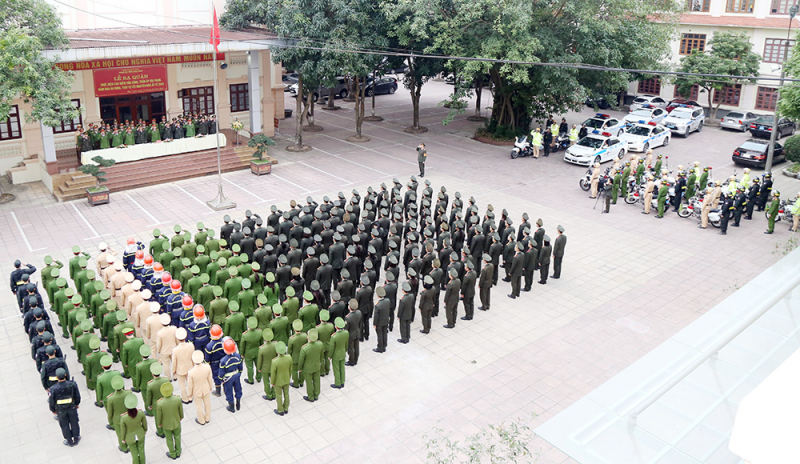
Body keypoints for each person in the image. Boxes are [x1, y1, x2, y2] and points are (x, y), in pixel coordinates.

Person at [48, 368, 81, 447]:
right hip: (72, 407)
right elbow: (77, 396)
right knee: (74, 422)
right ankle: (76, 437)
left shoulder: (53, 389)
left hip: (60, 410)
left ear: (56, 377)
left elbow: (51, 401)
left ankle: (69, 440)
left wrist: (53, 410)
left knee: (64, 425)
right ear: (65, 375)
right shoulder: (72, 384)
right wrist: (77, 403)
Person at [156, 382, 183, 460]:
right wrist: (181, 417)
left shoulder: (160, 403)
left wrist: (159, 424)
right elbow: (180, 410)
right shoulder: (177, 399)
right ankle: (178, 451)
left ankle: (172, 453)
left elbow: (159, 416)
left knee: (169, 439)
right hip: (176, 422)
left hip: (166, 424)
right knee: (177, 436)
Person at [186, 350, 213, 425]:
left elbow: (190, 385)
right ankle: (207, 417)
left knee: (199, 406)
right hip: (206, 388)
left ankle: (201, 420)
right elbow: (209, 378)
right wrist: (211, 386)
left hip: (197, 391)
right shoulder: (207, 367)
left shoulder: (191, 372)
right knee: (207, 403)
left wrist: (190, 394)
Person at [120, 394, 147, 464]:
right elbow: (144, 423)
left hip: (130, 437)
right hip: (140, 434)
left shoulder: (124, 417)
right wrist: (145, 430)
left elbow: (123, 430)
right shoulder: (140, 413)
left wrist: (123, 439)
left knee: (134, 452)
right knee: (141, 450)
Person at [298, 328, 323, 402]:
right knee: (317, 381)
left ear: (308, 337)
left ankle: (311, 397)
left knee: (309, 382)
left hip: (307, 368)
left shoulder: (304, 348)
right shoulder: (320, 344)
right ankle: (316, 394)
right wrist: (320, 362)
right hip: (317, 365)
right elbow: (321, 355)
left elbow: (301, 360)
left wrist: (300, 368)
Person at [219, 337, 243, 412]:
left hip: (228, 378)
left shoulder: (223, 361)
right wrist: (239, 373)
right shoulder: (238, 356)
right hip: (236, 375)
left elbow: (221, 372)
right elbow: (240, 367)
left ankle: (231, 407)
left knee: (228, 391)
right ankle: (238, 404)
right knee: (238, 389)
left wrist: (220, 379)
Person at [171, 327, 194, 403]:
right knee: (190, 383)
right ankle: (191, 396)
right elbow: (193, 357)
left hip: (180, 369)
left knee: (182, 385)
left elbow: (174, 361)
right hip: (190, 367)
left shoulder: (175, 350)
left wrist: (173, 371)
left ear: (177, 338)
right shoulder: (191, 345)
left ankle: (185, 398)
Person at [271, 341, 292, 416]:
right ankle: (286, 408)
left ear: (277, 352)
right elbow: (290, 369)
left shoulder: (274, 361)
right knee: (286, 394)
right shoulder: (289, 357)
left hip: (278, 381)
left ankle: (280, 410)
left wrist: (272, 382)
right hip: (286, 379)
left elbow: (273, 374)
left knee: (279, 396)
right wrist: (289, 377)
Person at [256, 328, 278, 400]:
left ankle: (269, 395)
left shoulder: (262, 349)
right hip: (274, 367)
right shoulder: (276, 345)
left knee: (266, 382)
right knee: (274, 381)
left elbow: (259, 360)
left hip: (265, 368)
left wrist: (259, 368)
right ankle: (274, 394)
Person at [329, 317, 349, 388]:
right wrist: (345, 350)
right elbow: (346, 344)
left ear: (336, 326)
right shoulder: (346, 333)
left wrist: (330, 356)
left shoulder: (334, 337)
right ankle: (342, 381)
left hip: (336, 355)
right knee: (342, 368)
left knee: (336, 369)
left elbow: (331, 348)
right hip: (343, 352)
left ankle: (338, 383)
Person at [345, 299, 361, 365]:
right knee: (356, 347)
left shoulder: (348, 317)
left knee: (351, 348)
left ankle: (351, 361)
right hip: (357, 332)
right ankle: (356, 359)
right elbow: (360, 323)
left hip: (351, 334)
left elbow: (346, 329)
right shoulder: (359, 312)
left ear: (349, 307)